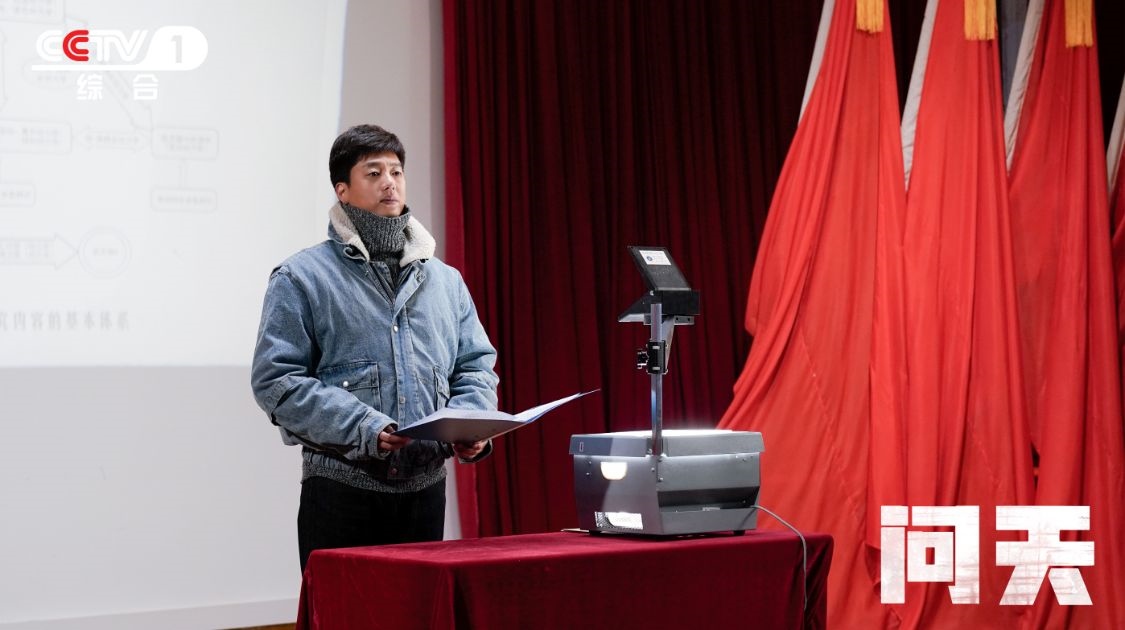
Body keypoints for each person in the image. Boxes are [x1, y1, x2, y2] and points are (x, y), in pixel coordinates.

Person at [250, 124, 498, 571]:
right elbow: (277, 380)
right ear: (342, 190)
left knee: (418, 610)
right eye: (373, 172)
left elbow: (475, 365)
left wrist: (470, 423)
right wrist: (363, 427)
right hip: (341, 495)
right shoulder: (301, 277)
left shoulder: (446, 281)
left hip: (425, 493)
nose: (390, 182)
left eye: (396, 171)